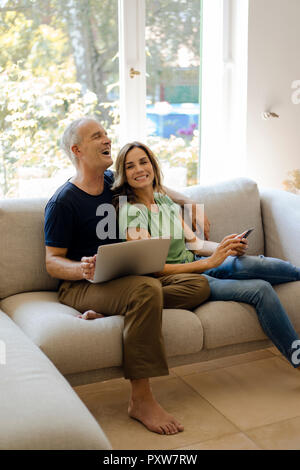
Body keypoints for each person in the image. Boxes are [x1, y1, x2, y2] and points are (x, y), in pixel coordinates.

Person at [44, 117, 211, 436]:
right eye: (97, 136)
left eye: (106, 134)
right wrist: (81, 268)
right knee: (146, 290)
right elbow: (52, 263)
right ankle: (141, 400)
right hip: (81, 284)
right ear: (77, 150)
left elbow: (154, 187)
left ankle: (117, 309)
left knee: (198, 285)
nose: (107, 140)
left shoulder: (113, 182)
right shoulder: (63, 202)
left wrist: (189, 202)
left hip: (123, 278)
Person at [113, 141, 300, 370]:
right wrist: (210, 263)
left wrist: (225, 247)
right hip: (178, 278)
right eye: (131, 166)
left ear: (153, 165)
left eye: (143, 162)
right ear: (124, 174)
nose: (139, 169)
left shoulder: (161, 198)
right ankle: (297, 357)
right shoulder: (130, 212)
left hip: (195, 262)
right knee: (260, 289)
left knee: (251, 263)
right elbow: (153, 268)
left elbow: (193, 243)